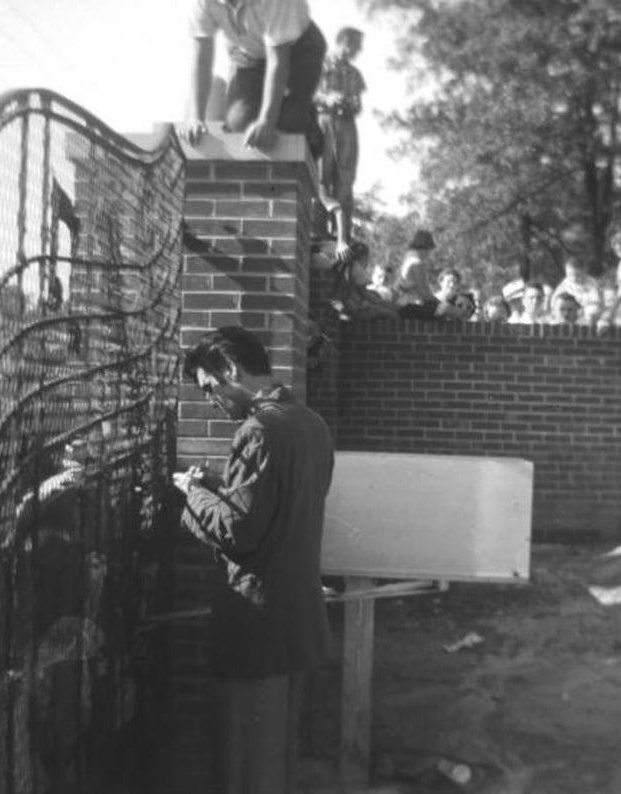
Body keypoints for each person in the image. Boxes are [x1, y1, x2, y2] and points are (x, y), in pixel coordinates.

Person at [172, 327, 334, 794]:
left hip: (256, 626)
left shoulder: (257, 431)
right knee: (276, 761)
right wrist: (223, 492)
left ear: (231, 370)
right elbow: (280, 514)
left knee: (244, 767)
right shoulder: (311, 424)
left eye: (210, 388)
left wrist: (193, 494)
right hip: (296, 623)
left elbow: (239, 533)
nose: (212, 401)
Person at [182, 0, 327, 157]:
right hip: (249, 55)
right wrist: (195, 118)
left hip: (299, 50)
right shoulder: (203, 2)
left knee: (289, 123)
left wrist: (266, 121)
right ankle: (288, 110)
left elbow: (278, 62)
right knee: (239, 123)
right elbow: (201, 58)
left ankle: (307, 121)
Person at [315, 27, 366, 263]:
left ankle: (342, 235)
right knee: (321, 175)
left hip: (346, 125)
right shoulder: (320, 64)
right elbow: (305, 94)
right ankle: (318, 231)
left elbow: (358, 103)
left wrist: (350, 104)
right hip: (323, 121)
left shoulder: (354, 73)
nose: (357, 52)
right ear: (344, 42)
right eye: (355, 46)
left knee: (345, 179)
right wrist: (327, 98)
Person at [548, 256, 603, 325]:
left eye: (577, 275)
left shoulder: (592, 283)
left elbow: (596, 302)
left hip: (587, 317)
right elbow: (554, 303)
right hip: (567, 318)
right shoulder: (564, 286)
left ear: (584, 271)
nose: (574, 279)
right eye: (570, 275)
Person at [393, 229, 436, 307]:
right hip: (412, 303)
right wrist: (437, 302)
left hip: (402, 301)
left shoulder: (408, 257)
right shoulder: (417, 262)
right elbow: (423, 290)